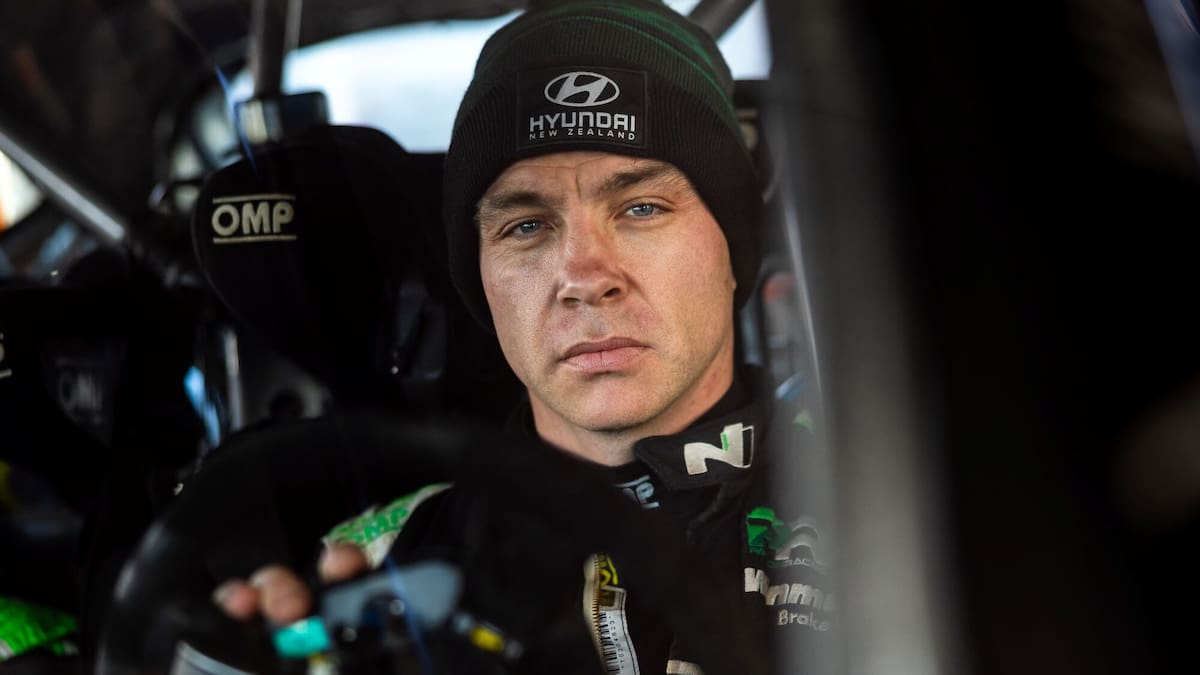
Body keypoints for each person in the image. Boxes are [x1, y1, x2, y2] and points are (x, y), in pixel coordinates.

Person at [216, 1, 833, 672]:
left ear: (732, 248)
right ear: (479, 278)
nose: (584, 277)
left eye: (641, 208)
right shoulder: (380, 564)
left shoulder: (885, 496)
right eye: (527, 226)